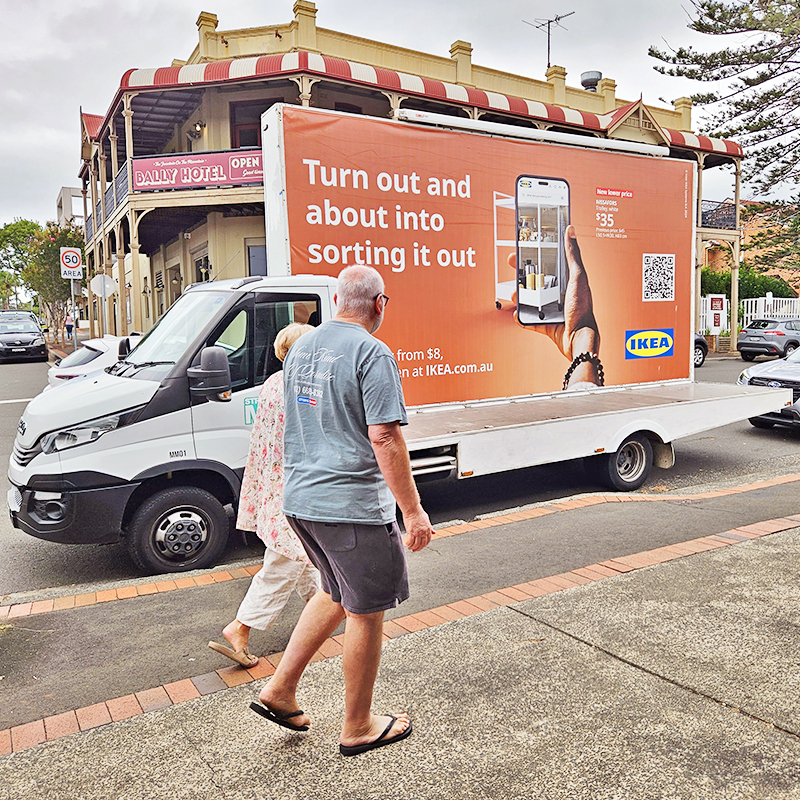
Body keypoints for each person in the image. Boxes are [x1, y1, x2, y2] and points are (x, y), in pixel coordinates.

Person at [251, 264, 434, 757]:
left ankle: (280, 689)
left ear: (336, 301)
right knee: (367, 610)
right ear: (379, 304)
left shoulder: (303, 346)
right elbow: (384, 436)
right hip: (350, 506)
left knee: (335, 591)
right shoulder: (373, 352)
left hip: (303, 502)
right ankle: (358, 725)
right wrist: (412, 511)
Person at [208, 323, 319, 669]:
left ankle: (329, 608)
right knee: (283, 562)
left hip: (273, 488)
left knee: (304, 556)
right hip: (295, 490)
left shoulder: (273, 383)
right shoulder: (304, 390)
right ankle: (239, 628)